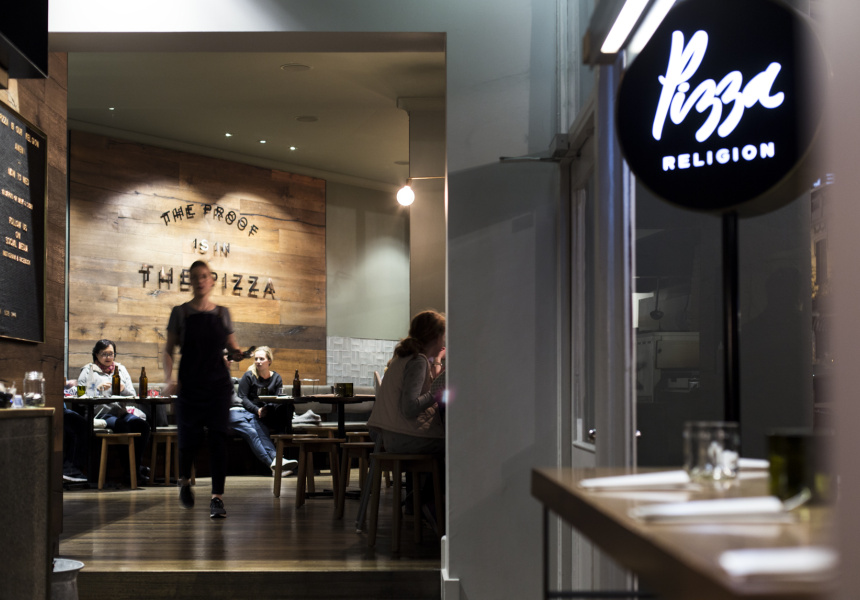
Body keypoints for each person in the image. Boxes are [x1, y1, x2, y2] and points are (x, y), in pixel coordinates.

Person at [164, 260, 244, 519]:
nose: (200, 281)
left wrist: (238, 353)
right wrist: (168, 379)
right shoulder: (180, 313)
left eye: (204, 276)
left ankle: (216, 498)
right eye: (195, 276)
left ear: (211, 281)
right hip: (190, 385)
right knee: (188, 439)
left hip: (218, 386)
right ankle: (184, 481)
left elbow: (232, 346)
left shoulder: (222, 313)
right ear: (189, 281)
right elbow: (168, 350)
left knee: (219, 438)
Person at [367, 310, 446, 528]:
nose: (444, 341)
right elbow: (410, 408)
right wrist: (437, 391)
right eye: (443, 335)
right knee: (453, 447)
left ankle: (416, 502)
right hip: (403, 436)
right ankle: (430, 505)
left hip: (391, 435)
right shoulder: (418, 360)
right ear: (435, 336)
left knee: (444, 445)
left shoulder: (403, 357)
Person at [76, 339, 151, 484]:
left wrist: (123, 389)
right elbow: (80, 397)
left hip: (120, 413)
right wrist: (97, 390)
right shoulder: (87, 370)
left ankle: (134, 468)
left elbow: (132, 394)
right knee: (122, 426)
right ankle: (133, 472)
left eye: (111, 354)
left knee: (143, 426)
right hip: (99, 415)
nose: (108, 357)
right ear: (96, 354)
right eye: (104, 354)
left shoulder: (120, 369)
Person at [229, 346, 298, 474]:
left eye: (261, 359)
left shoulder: (276, 377)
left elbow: (279, 398)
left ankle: (279, 460)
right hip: (252, 411)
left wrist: (267, 408)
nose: (258, 361)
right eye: (256, 359)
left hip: (268, 412)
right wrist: (257, 410)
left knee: (286, 408)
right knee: (254, 429)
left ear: (269, 361)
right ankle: (276, 462)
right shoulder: (249, 375)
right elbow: (243, 398)